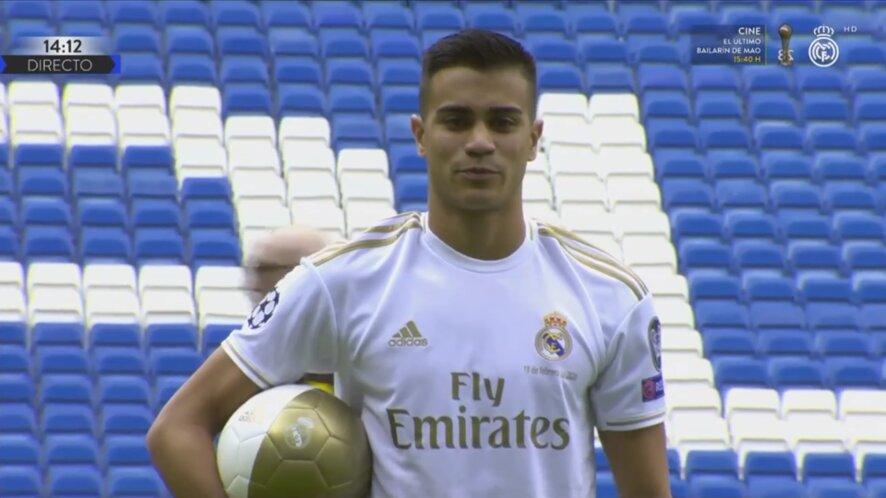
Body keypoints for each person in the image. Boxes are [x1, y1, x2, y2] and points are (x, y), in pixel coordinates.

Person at [147, 29, 671, 497]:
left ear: (533, 140)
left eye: (503, 122)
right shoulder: (343, 281)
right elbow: (177, 430)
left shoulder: (610, 297)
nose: (480, 142)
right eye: (457, 121)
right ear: (421, 135)